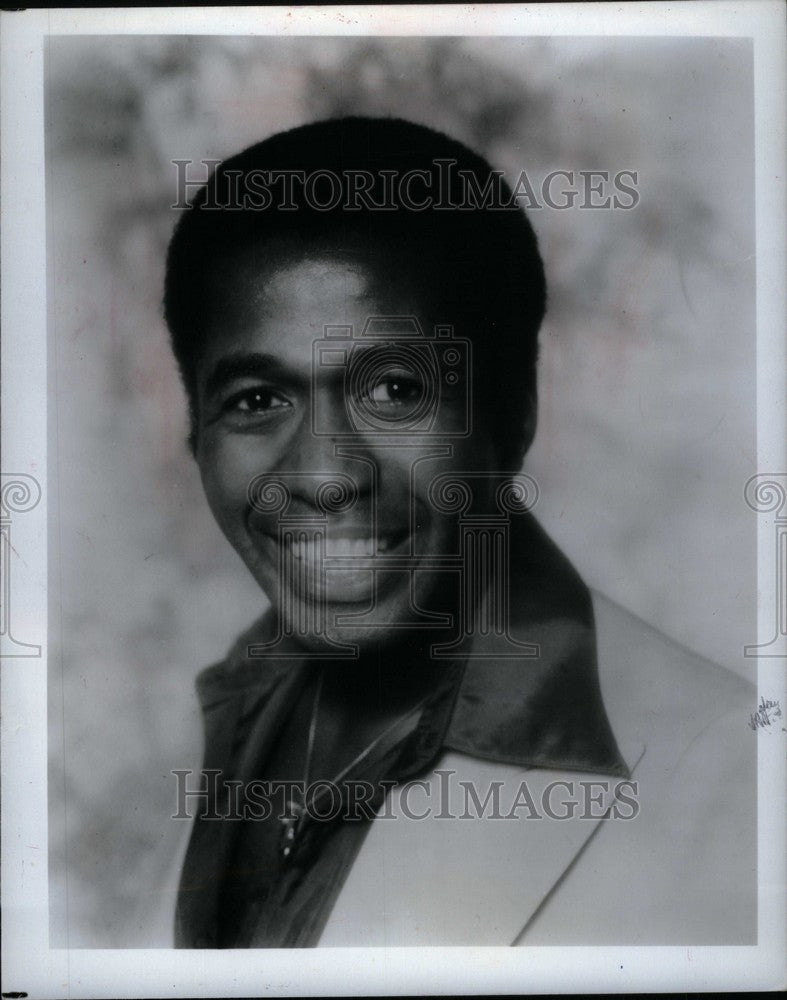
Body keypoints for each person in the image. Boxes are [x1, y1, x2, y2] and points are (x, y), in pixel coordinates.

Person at [162, 117, 755, 947]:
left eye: (396, 390)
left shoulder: (736, 781)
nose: (326, 476)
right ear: (197, 433)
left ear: (512, 415)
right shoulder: (201, 722)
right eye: (257, 400)